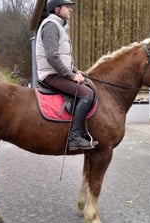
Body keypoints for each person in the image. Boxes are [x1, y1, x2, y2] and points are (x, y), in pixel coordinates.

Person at [36, 0, 96, 151]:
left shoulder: (59, 26)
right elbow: (52, 57)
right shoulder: (51, 26)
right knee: (87, 94)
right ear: (57, 9)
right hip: (51, 74)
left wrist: (76, 71)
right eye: (67, 6)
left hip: (57, 72)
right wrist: (71, 76)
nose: (71, 9)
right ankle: (75, 137)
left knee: (87, 86)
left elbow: (63, 58)